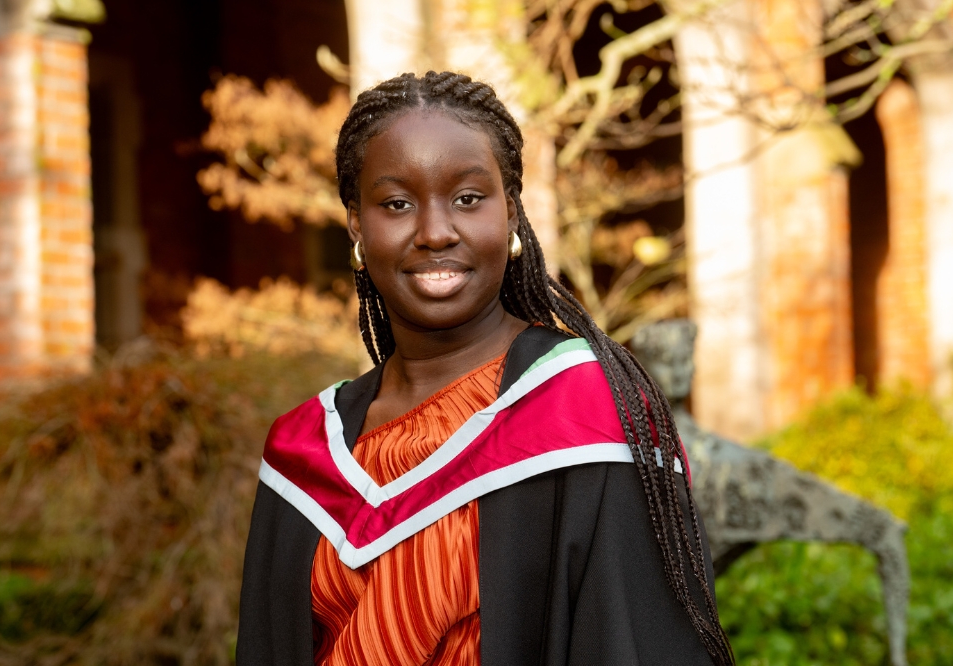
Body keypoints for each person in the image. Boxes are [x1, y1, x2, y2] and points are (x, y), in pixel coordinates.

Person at [237, 71, 733, 666]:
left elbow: (635, 642)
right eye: (396, 204)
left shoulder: (589, 414)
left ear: (512, 214)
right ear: (356, 225)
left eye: (468, 199)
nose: (435, 232)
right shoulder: (305, 452)